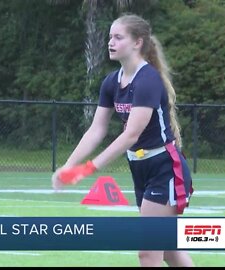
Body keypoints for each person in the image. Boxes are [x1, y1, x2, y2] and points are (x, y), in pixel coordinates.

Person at [51, 13, 194, 267]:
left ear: (137, 42)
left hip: (164, 167)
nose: (111, 42)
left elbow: (131, 134)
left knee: (148, 252)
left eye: (118, 37)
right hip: (139, 167)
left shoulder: (148, 79)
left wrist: (90, 167)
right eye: (110, 37)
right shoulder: (111, 82)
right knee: (169, 251)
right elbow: (96, 129)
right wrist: (69, 165)